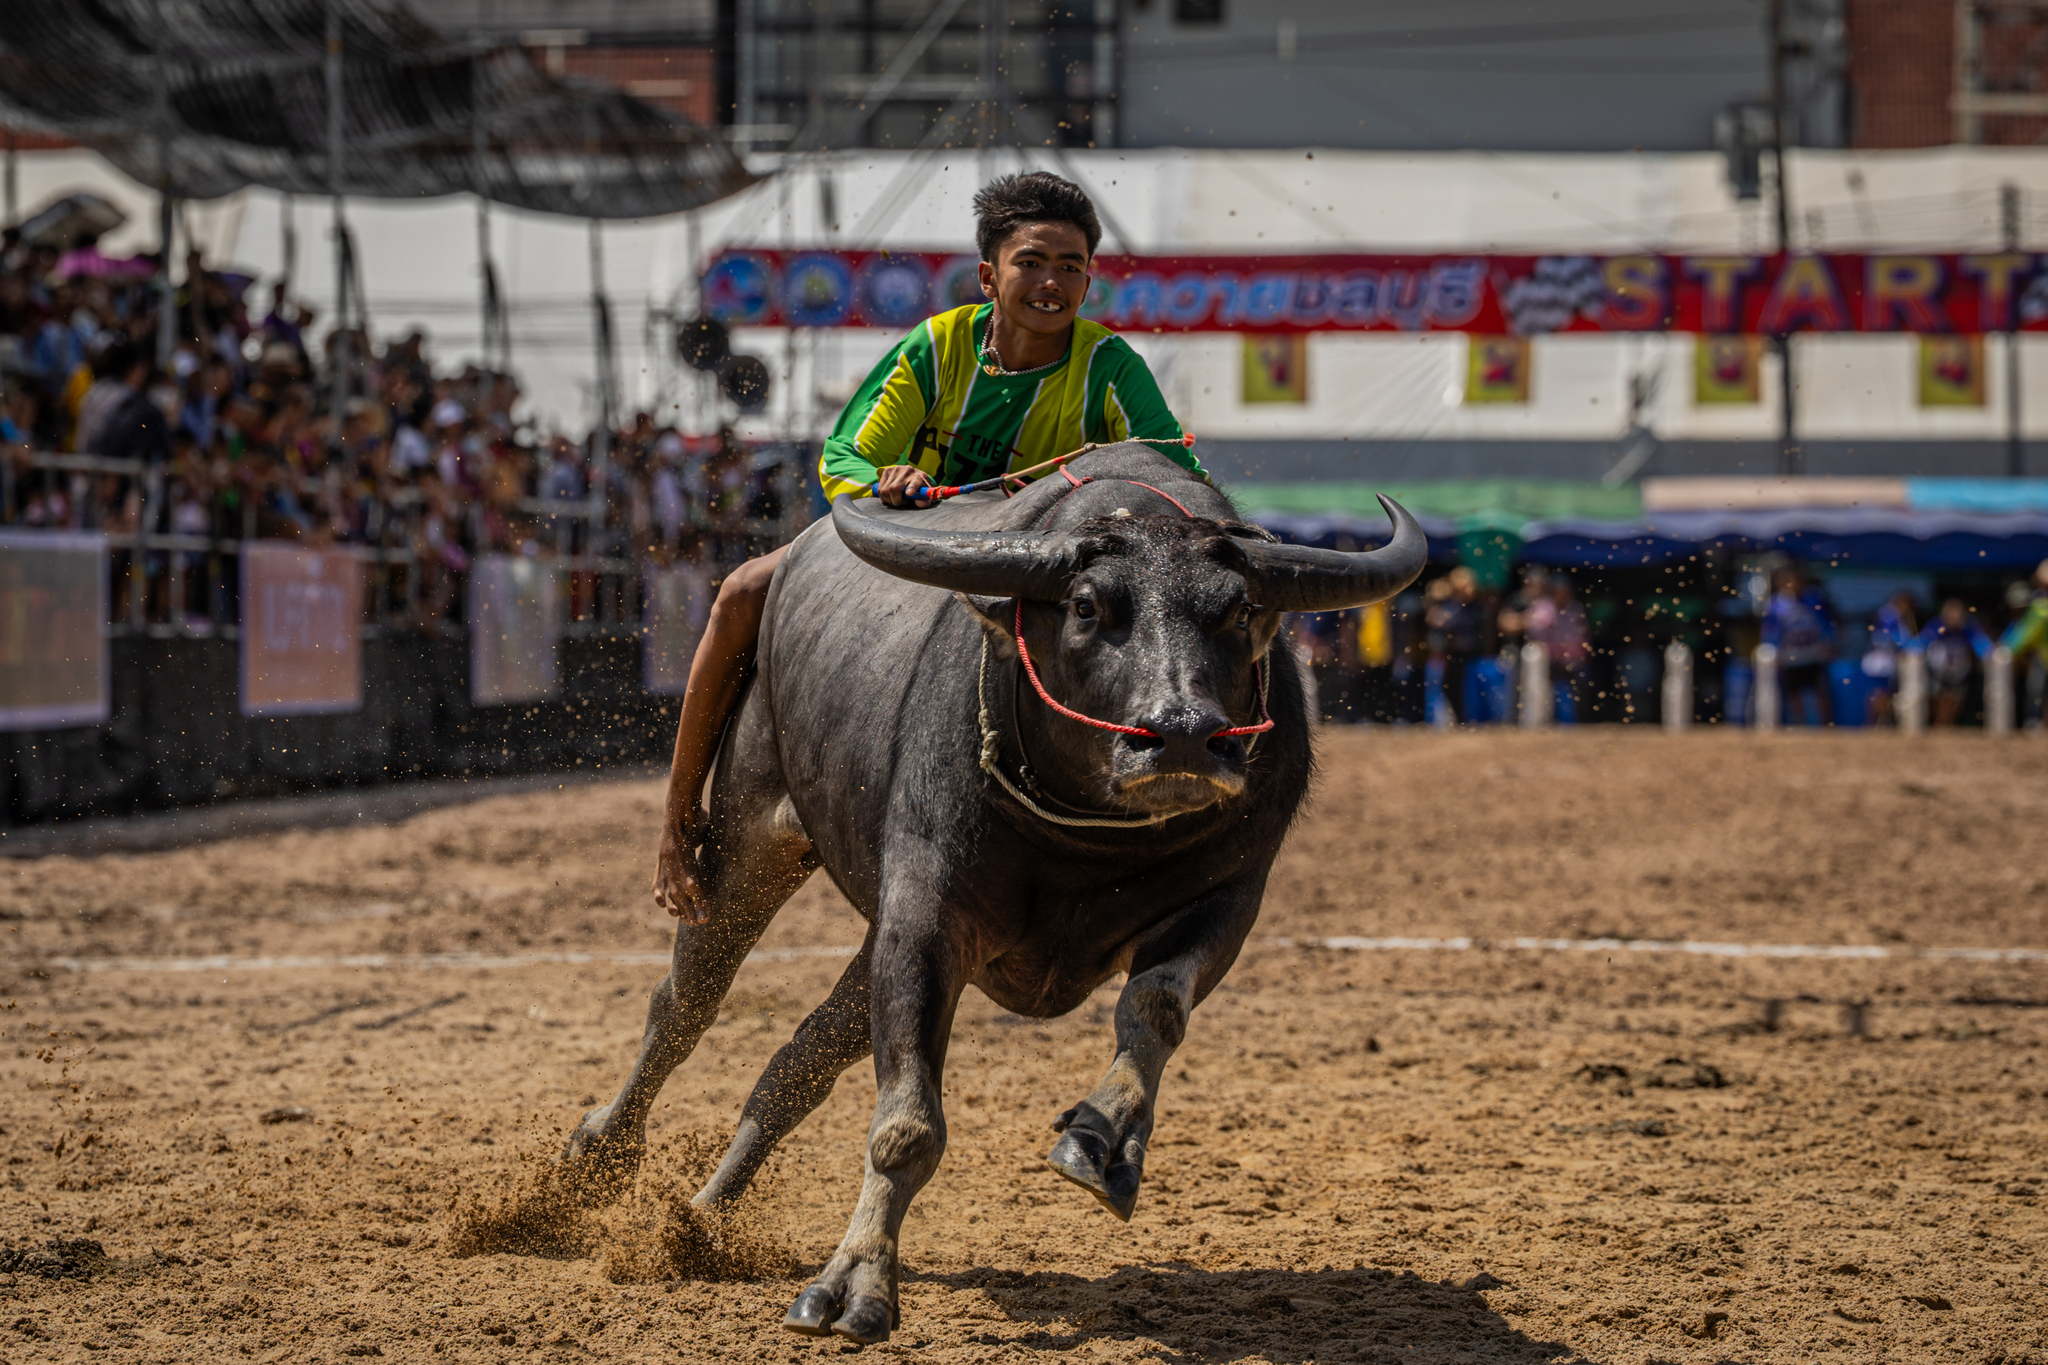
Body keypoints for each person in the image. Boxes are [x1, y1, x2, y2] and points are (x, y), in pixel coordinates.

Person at [651, 172, 1199, 922]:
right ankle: (680, 818)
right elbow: (843, 458)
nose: (1052, 283)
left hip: (1027, 572)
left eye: (1071, 267)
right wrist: (889, 481)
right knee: (745, 588)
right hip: (911, 548)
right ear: (988, 274)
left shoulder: (1110, 367)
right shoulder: (938, 346)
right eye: (1032, 262)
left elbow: (1178, 474)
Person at [1760, 569, 1835, 726]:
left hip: (1813, 654)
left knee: (1820, 691)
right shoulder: (1776, 604)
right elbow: (1770, 629)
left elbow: (1826, 622)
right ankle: (1800, 725)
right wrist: (1774, 648)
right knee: (1794, 693)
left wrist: (1829, 642)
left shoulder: (1814, 599)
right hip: (1791, 656)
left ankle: (1826, 725)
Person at [1920, 598, 1993, 728]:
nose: (1954, 616)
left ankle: (1949, 722)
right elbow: (1922, 642)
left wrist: (1991, 654)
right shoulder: (1936, 625)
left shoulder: (1968, 626)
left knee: (1957, 696)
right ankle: (1938, 722)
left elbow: (1981, 643)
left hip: (1959, 670)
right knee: (1938, 696)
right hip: (1938, 669)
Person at [2001, 560, 2048, 729]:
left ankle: (2034, 722)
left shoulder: (2040, 607)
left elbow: (2026, 634)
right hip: (2042, 656)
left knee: (2037, 690)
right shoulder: (2039, 605)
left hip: (2042, 657)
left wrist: (2007, 651)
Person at [1861, 589, 1918, 728]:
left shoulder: (1891, 615)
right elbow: (1898, 639)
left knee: (1885, 693)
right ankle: (1873, 723)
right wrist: (1914, 646)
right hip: (1881, 661)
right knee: (1880, 693)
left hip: (1884, 659)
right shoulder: (1890, 615)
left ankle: (1879, 722)